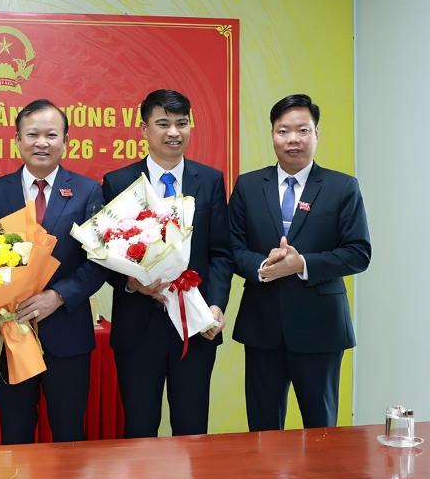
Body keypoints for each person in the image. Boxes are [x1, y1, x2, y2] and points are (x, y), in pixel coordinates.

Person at [230, 94, 371, 431]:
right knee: (262, 432)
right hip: (262, 327)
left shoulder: (342, 187)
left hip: (321, 328)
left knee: (321, 432)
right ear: (272, 134)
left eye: (302, 130)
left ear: (316, 133)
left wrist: (301, 264)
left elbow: (358, 252)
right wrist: (265, 267)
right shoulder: (249, 185)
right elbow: (233, 248)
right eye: (283, 131)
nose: (292, 139)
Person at [101, 89, 233, 438]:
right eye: (163, 124)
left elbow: (221, 252)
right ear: (144, 129)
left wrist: (216, 304)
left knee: (192, 429)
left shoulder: (210, 180)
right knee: (139, 430)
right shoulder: (118, 182)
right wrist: (131, 283)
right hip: (138, 326)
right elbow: (104, 254)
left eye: (181, 123)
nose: (174, 132)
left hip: (194, 323)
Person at [0, 98, 109, 444]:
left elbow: (99, 262)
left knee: (69, 435)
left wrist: (59, 296)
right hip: (11, 332)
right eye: (32, 134)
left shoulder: (88, 191)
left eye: (51, 135)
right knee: (15, 433)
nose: (41, 142)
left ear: (66, 141)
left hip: (67, 332)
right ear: (17, 140)